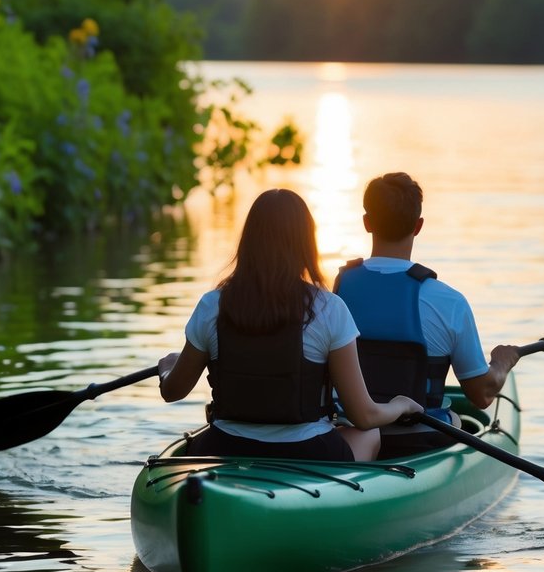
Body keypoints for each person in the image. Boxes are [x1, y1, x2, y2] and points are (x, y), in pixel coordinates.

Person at [157, 188, 423, 463]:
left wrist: (167, 369)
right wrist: (399, 405)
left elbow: (173, 391)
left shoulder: (212, 305)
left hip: (225, 447)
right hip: (307, 453)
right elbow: (364, 416)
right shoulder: (328, 309)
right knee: (369, 434)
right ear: (306, 242)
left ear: (249, 240)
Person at [334, 172, 519, 452]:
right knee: (457, 418)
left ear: (367, 222)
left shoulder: (335, 292)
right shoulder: (449, 301)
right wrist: (502, 363)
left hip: (349, 431)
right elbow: (481, 395)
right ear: (418, 226)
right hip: (417, 437)